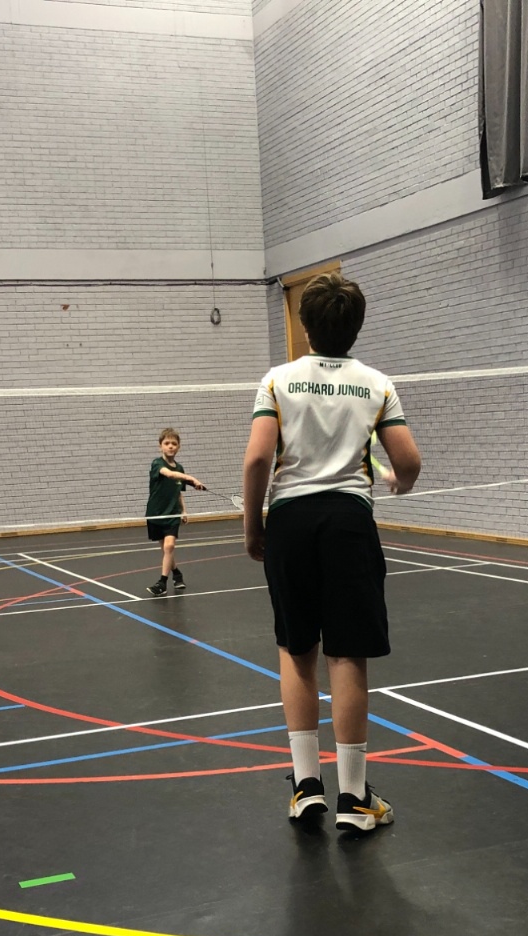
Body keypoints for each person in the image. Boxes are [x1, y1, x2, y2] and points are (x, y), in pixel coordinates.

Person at [243, 272, 422, 832]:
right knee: (347, 655)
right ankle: (354, 798)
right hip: (348, 522)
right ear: (357, 325)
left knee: (297, 650)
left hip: (290, 522)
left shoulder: (277, 380)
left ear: (304, 325)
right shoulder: (378, 385)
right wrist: (399, 483)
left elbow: (257, 460)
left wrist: (253, 527)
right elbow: (408, 462)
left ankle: (305, 789)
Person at [146, 428, 205, 596]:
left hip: (173, 513)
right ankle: (177, 574)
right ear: (160, 446)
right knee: (167, 550)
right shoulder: (157, 464)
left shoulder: (180, 468)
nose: (170, 446)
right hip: (156, 513)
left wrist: (184, 511)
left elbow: (178, 492)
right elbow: (170, 475)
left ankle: (162, 583)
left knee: (169, 546)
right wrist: (192, 479)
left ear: (178, 447)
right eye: (167, 443)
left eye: (174, 443)